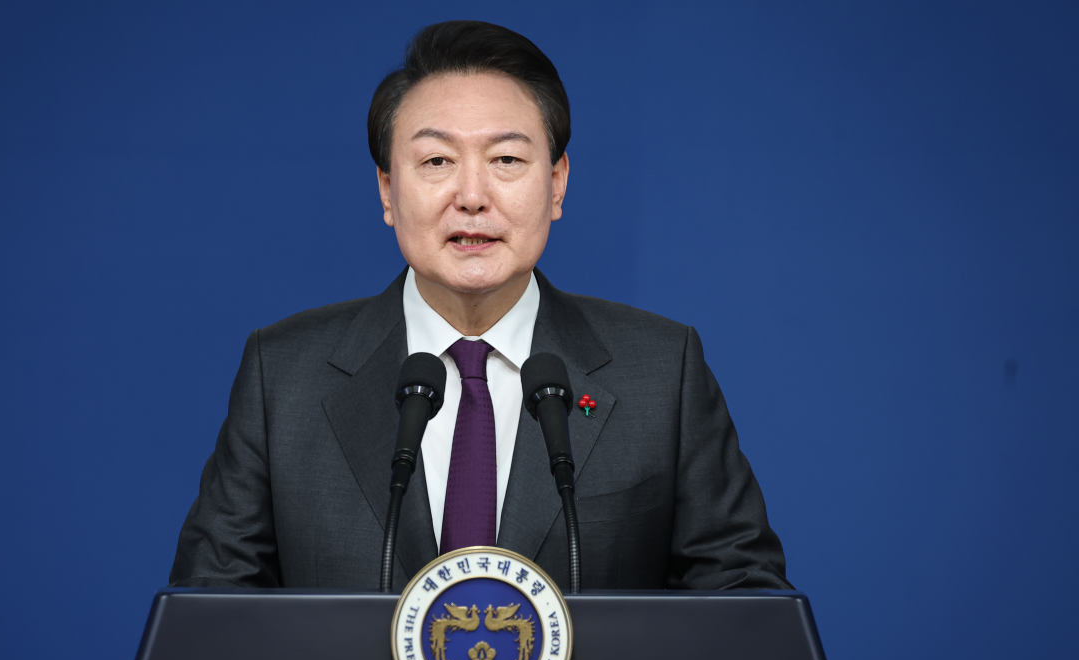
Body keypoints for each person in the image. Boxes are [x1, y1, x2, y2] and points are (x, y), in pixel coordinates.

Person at [169, 20, 789, 592]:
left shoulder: (661, 371)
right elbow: (210, 615)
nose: (471, 196)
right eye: (436, 161)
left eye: (506, 160)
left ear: (556, 184)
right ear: (387, 190)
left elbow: (745, 606)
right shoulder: (284, 376)